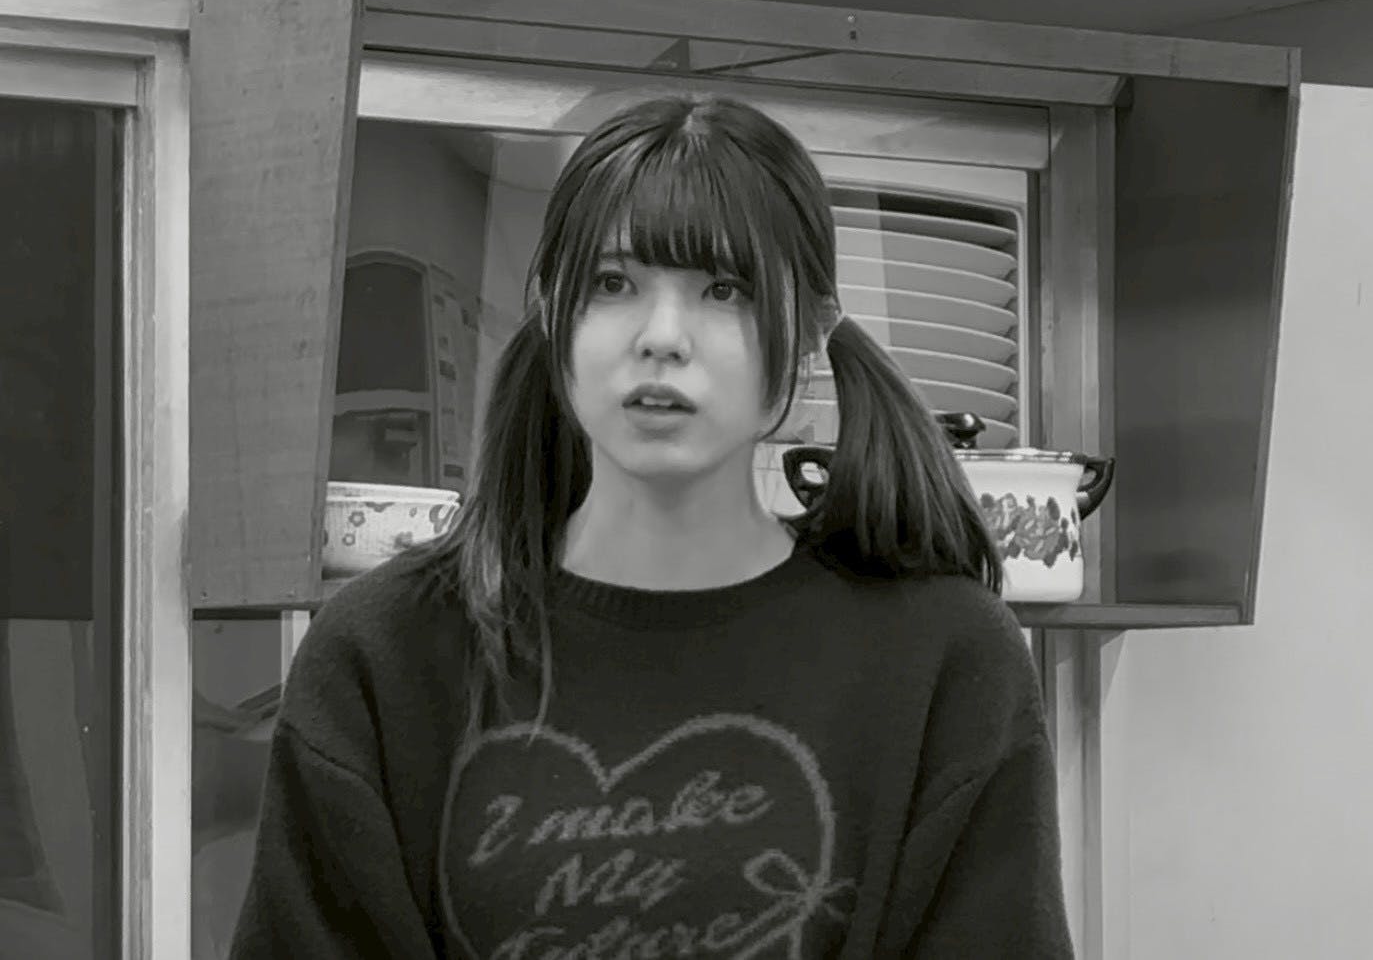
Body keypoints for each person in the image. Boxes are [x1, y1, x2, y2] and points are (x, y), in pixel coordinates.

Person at [230, 94, 1073, 959]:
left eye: (724, 289)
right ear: (552, 312)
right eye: (612, 283)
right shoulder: (386, 653)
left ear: (810, 334)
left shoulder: (944, 660)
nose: (662, 336)